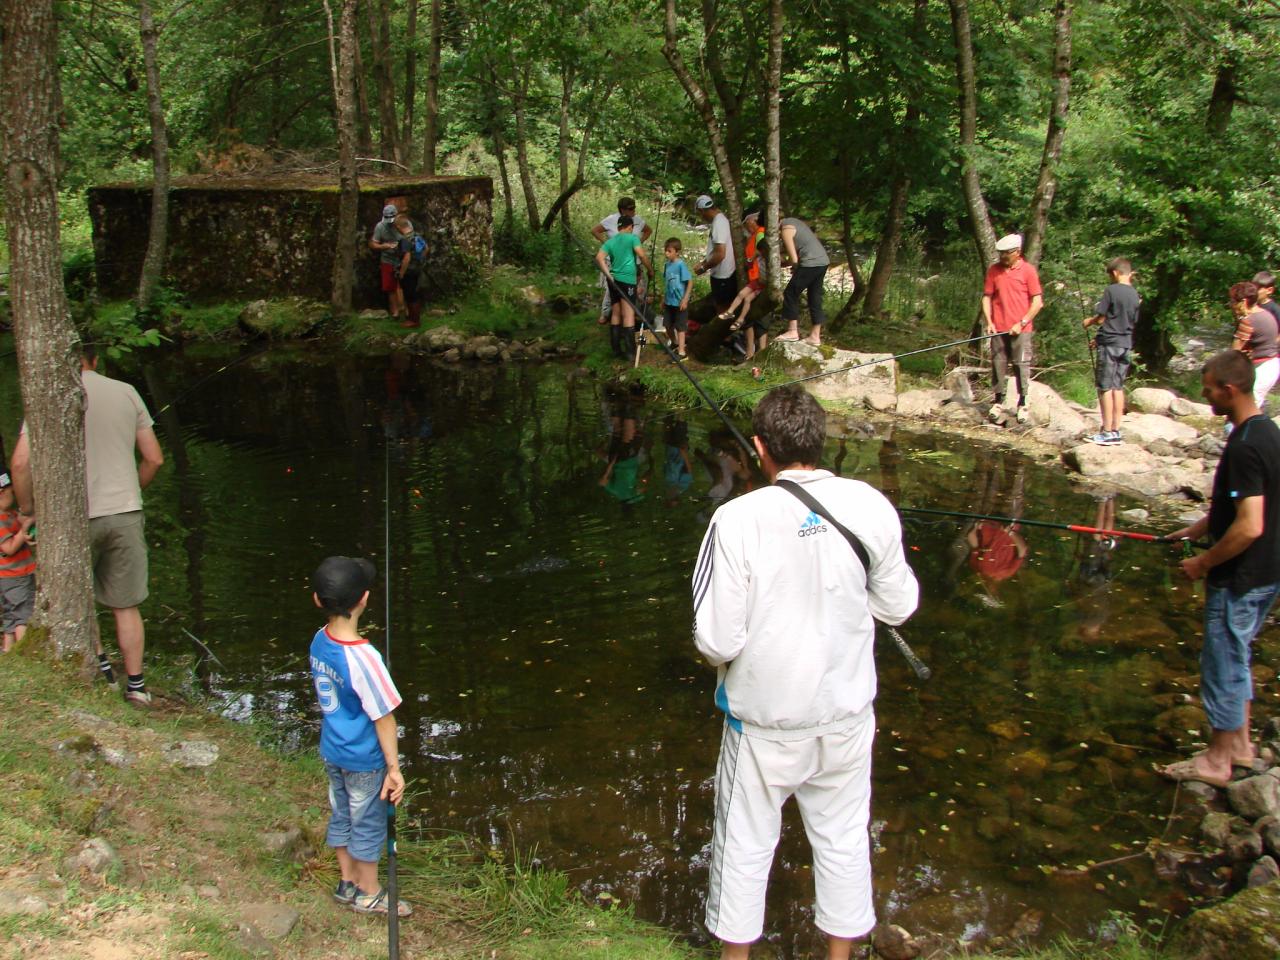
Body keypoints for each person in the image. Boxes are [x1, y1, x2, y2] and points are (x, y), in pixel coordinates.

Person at [692, 386, 919, 960]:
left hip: (762, 724)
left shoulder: (735, 519)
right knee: (844, 840)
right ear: (821, 440)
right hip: (846, 716)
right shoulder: (870, 505)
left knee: (744, 846)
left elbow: (716, 640)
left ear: (760, 447)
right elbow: (898, 607)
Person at [11, 345, 165, 704]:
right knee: (126, 604)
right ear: (95, 360)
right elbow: (154, 458)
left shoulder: (47, 395)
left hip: (70, 519)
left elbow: (20, 464)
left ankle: (102, 671)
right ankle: (137, 687)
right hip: (124, 512)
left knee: (78, 598)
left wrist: (27, 511)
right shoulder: (126, 392)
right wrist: (131, 491)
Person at [1159, 350, 1280, 789]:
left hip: (1240, 578)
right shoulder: (1266, 432)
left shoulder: (1246, 446)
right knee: (1239, 659)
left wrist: (1205, 562)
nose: (1204, 395)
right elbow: (1239, 507)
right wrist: (1195, 530)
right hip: (1267, 573)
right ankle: (1241, 749)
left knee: (1223, 663)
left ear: (1230, 390)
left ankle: (1216, 759)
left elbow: (1249, 526)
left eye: (1208, 388)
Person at [309, 556, 412, 917]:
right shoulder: (365, 658)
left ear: (318, 601)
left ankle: (347, 881)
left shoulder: (320, 641)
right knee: (367, 821)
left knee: (341, 814)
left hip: (332, 750)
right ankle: (369, 893)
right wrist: (394, 768)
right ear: (364, 600)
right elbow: (384, 718)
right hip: (364, 759)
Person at [982, 233, 1043, 424]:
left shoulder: (1028, 271)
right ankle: (998, 401)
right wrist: (989, 322)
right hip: (999, 328)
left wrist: (1022, 322)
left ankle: (1023, 403)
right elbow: (986, 297)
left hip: (1021, 330)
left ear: (1017, 252)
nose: (1002, 257)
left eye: (1006, 254)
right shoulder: (994, 270)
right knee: (998, 364)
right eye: (1000, 254)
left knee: (1021, 365)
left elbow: (1037, 302)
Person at [1083, 258, 1140, 445]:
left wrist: (1088, 322)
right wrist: (1097, 339)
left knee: (1105, 387)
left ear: (1115, 273)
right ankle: (1116, 430)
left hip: (1110, 345)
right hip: (1126, 345)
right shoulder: (1134, 295)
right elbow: (1127, 321)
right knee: (1118, 387)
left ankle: (1106, 431)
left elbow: (1101, 318)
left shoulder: (1111, 291)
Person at [595, 216, 654, 360]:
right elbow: (641, 255)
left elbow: (599, 258)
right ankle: (630, 353)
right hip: (627, 281)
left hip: (613, 281)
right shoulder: (633, 238)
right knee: (628, 315)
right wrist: (650, 270)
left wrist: (608, 275)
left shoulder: (611, 241)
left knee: (616, 313)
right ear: (630, 227)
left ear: (618, 227)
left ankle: (615, 350)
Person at [592, 197, 653, 324]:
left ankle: (637, 312)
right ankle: (606, 313)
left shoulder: (638, 220)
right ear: (622, 210)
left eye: (634, 207)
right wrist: (606, 244)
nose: (633, 211)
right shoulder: (611, 220)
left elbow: (648, 230)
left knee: (638, 288)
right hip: (615, 261)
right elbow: (595, 230)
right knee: (612, 288)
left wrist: (639, 243)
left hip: (633, 261)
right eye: (630, 209)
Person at [776, 215, 830, 346]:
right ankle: (815, 336)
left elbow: (794, 259)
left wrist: (788, 264)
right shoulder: (795, 222)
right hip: (823, 261)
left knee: (790, 293)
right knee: (814, 297)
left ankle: (792, 331)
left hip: (810, 263)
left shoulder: (786, 228)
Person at [1228, 281, 1279, 413]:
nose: (1232, 305)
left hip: (1262, 369)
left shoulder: (1248, 320)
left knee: (1244, 409)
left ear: (1244, 302)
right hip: (1271, 365)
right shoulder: (1266, 314)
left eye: (1234, 301)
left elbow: (1234, 353)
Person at [0, 473, 35, 653]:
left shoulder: (10, 514)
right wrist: (23, 530)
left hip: (9, 576)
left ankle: (8, 650)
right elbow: (9, 547)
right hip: (15, 575)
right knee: (22, 613)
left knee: (10, 614)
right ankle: (24, 653)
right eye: (11, 493)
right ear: (2, 491)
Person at [693, 195, 738, 314]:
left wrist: (704, 268)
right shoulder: (720, 220)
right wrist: (704, 261)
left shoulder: (719, 223)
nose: (701, 217)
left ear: (702, 211)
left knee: (723, 310)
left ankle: (726, 332)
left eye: (699, 213)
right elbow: (715, 250)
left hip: (724, 275)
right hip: (721, 274)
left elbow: (720, 254)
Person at [369, 203, 406, 321]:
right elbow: (373, 243)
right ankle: (395, 311)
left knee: (402, 285)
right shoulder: (380, 226)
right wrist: (383, 246)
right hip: (387, 260)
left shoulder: (402, 224)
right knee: (390, 287)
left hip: (401, 259)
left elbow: (410, 238)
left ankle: (404, 309)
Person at [393, 214, 428, 330]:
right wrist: (419, 261)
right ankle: (413, 318)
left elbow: (406, 257)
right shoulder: (417, 236)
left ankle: (414, 320)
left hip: (409, 271)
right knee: (413, 294)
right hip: (417, 269)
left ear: (398, 227)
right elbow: (426, 248)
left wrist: (402, 273)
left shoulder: (405, 240)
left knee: (410, 294)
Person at [663, 238, 693, 361]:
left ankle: (682, 352)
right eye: (665, 251)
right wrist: (663, 299)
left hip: (680, 302)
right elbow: (667, 284)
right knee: (667, 325)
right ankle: (674, 343)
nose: (666, 253)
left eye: (669, 251)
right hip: (669, 301)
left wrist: (685, 299)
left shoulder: (680, 265)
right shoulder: (667, 265)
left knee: (680, 327)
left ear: (677, 252)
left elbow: (690, 282)